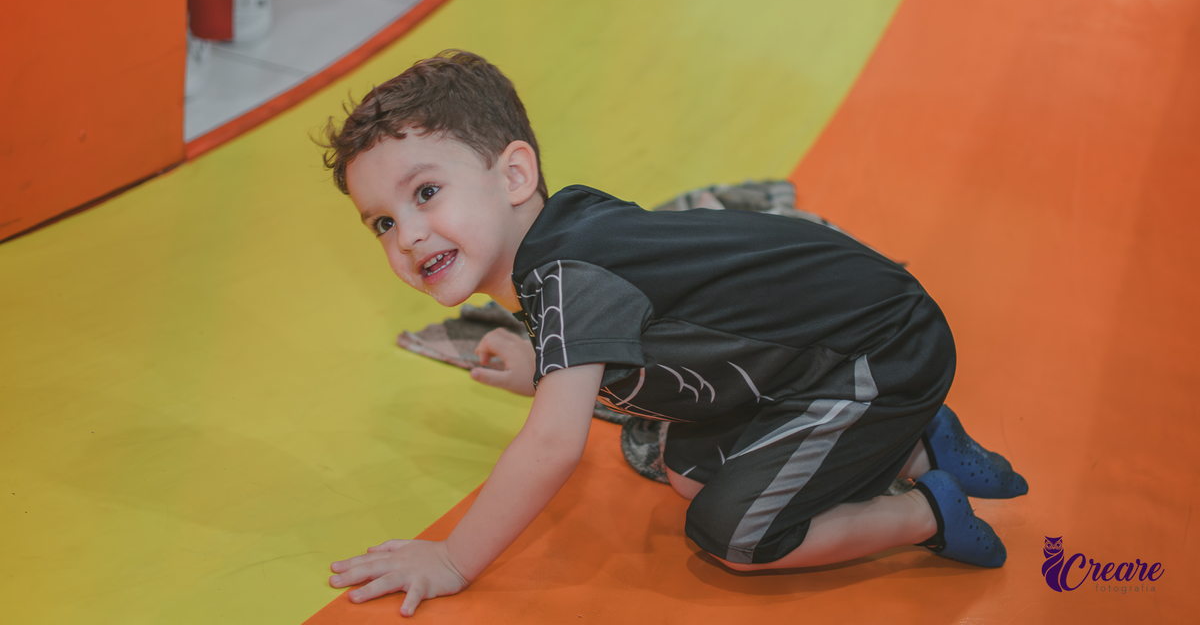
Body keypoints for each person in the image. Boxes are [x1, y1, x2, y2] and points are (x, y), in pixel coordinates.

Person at [320, 50, 1029, 617]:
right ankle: (917, 443)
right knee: (688, 470)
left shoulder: (569, 273)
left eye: (426, 193)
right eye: (382, 222)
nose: (407, 236)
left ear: (514, 175)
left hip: (883, 347)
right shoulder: (563, 243)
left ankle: (926, 510)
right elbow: (634, 331)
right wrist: (542, 365)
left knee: (736, 534)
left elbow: (552, 445)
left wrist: (452, 558)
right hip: (818, 351)